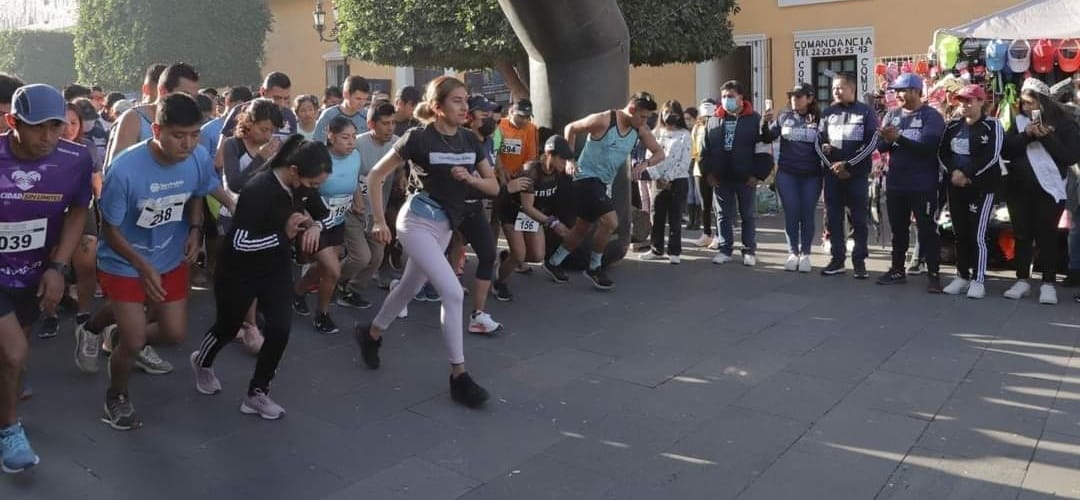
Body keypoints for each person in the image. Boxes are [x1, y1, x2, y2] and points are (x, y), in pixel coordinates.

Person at [354, 76, 497, 408]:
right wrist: (378, 220)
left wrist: (472, 179)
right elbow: (375, 176)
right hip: (415, 222)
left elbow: (494, 188)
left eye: (466, 100)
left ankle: (371, 334)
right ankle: (459, 376)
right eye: (457, 101)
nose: (465, 107)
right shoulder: (418, 137)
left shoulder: (470, 141)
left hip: (445, 227)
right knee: (450, 291)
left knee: (408, 288)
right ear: (437, 107)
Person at [94, 93, 219, 430]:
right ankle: (116, 396)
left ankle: (102, 332)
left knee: (174, 333)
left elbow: (197, 192)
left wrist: (195, 227)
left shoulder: (198, 157)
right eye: (179, 135)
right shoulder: (124, 170)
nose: (189, 143)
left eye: (195, 134)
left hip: (171, 256)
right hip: (124, 261)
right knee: (134, 339)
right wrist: (142, 265)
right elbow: (110, 231)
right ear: (157, 130)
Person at [192, 136, 331, 419]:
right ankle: (202, 362)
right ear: (294, 171)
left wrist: (316, 225)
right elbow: (240, 242)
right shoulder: (259, 189)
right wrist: (284, 236)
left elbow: (326, 215)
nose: (314, 189)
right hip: (239, 270)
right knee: (228, 328)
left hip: (275, 268)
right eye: (313, 183)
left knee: (280, 328)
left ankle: (257, 393)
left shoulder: (303, 188)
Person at [0, 84, 92, 472]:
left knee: (12, 363)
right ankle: (9, 432)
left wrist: (57, 266)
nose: (49, 137)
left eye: (57, 126)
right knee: (15, 353)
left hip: (34, 272)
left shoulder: (75, 159)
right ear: (12, 122)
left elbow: (76, 210)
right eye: (38, 127)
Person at [545, 92, 664, 290]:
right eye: (642, 116)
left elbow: (660, 153)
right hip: (584, 178)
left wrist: (644, 165)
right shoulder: (604, 120)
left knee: (582, 228)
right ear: (632, 110)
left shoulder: (639, 130)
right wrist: (570, 158)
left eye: (647, 117)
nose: (645, 121)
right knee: (611, 221)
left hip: (602, 183)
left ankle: (554, 262)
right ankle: (594, 267)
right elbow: (571, 128)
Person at [1001, 78, 1079, 305]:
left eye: (1030, 103)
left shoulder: (1065, 124)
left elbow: (1070, 156)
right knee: (1022, 234)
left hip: (1049, 190)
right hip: (1019, 189)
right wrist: (1026, 135)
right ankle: (1022, 280)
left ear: (1043, 102)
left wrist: (1046, 138)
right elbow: (1006, 149)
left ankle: (1048, 283)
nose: (1026, 108)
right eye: (1023, 103)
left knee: (1047, 236)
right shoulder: (1018, 122)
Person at [218, 98, 286, 352]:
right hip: (232, 215)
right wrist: (261, 158)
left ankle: (249, 323)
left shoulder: (275, 146)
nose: (267, 135)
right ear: (248, 123)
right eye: (263, 129)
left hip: (262, 217)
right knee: (237, 274)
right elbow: (236, 184)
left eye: (271, 130)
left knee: (254, 272)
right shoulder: (232, 146)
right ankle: (243, 322)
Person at [874, 73, 946, 292]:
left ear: (916, 91)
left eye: (902, 90)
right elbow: (881, 147)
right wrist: (885, 139)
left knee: (927, 229)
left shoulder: (931, 116)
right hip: (896, 182)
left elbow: (928, 148)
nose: (898, 95)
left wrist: (899, 139)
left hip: (923, 184)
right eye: (895, 91)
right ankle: (897, 269)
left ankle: (934, 274)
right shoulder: (892, 114)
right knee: (898, 229)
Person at [291, 116, 357, 333]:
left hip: (334, 220)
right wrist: (311, 223)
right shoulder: (316, 160)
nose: (350, 142)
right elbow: (307, 196)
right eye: (345, 137)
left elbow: (356, 183)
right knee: (333, 270)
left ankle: (298, 292)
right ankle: (322, 315)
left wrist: (358, 202)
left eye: (353, 137)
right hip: (313, 222)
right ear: (331, 135)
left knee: (324, 268)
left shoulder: (355, 156)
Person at [938, 85, 1004, 299]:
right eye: (961, 101)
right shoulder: (952, 126)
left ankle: (979, 279)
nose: (964, 105)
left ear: (980, 101)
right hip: (955, 185)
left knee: (977, 234)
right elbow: (942, 153)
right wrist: (953, 172)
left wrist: (966, 174)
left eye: (969, 101)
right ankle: (961, 275)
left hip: (981, 187)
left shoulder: (992, 125)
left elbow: (991, 156)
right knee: (960, 233)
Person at [493, 136, 575, 300]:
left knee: (537, 256)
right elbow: (527, 207)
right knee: (519, 255)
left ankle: (508, 259)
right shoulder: (531, 171)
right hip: (513, 211)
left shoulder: (559, 172)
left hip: (533, 213)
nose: (564, 163)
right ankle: (500, 283)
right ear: (549, 154)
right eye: (562, 159)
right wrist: (553, 223)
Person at [816, 73, 880, 279]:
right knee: (833, 218)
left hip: (857, 175)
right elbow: (818, 142)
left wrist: (848, 165)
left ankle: (859, 261)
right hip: (832, 176)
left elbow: (871, 143)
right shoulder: (827, 113)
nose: (836, 91)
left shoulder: (866, 112)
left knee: (859, 219)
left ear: (852, 89)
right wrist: (832, 165)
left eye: (840, 87)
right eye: (834, 88)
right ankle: (837, 259)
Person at [337, 102, 398, 309]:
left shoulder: (397, 144)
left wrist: (403, 175)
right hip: (354, 210)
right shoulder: (358, 144)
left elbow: (405, 161)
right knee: (360, 257)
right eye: (385, 123)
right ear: (371, 124)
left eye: (393, 123)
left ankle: (352, 290)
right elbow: (347, 172)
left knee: (376, 257)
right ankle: (334, 279)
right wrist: (357, 196)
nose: (390, 128)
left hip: (377, 213)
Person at [700, 80, 765, 266]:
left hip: (746, 177)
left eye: (730, 96)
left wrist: (758, 175)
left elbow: (763, 149)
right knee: (722, 215)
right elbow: (705, 149)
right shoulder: (713, 120)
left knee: (747, 214)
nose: (726, 100)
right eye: (724, 97)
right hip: (721, 177)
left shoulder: (754, 119)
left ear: (740, 98)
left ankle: (749, 250)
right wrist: (708, 173)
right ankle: (724, 249)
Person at [762, 83, 822, 273]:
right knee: (792, 213)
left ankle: (805, 253)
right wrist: (764, 122)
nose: (795, 99)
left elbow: (828, 141)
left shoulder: (820, 119)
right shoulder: (784, 116)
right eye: (792, 96)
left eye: (799, 96)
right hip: (787, 173)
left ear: (810, 98)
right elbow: (767, 137)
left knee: (807, 213)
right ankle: (792, 252)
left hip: (812, 175)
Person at [638, 100, 691, 264]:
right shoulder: (656, 133)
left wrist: (668, 178)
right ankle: (656, 249)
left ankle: (674, 251)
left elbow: (685, 161)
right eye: (667, 112)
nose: (670, 116)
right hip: (658, 181)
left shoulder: (685, 134)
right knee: (657, 216)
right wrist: (657, 176)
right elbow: (649, 157)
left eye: (674, 113)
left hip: (678, 180)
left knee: (675, 217)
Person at [200, 86, 253, 159]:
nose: (240, 110)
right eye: (237, 105)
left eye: (245, 108)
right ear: (227, 101)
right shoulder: (207, 130)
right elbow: (203, 161)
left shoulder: (248, 129)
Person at [691, 99, 717, 248]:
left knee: (717, 205)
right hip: (699, 171)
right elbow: (694, 150)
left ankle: (719, 236)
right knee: (704, 205)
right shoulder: (696, 128)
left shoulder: (718, 126)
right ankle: (706, 233)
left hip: (715, 171)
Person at [313, 76, 371, 141]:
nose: (362, 103)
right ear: (345, 94)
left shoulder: (367, 116)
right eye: (358, 99)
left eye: (365, 99)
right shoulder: (329, 115)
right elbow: (318, 142)